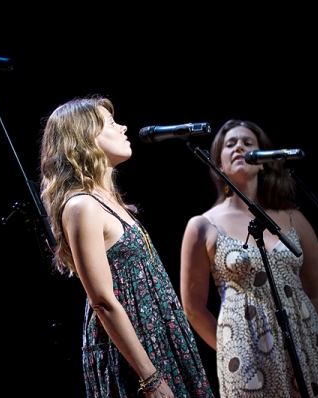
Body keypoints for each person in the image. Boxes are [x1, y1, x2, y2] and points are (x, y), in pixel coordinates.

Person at [39, 94, 214, 397]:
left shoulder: (109, 202)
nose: (123, 128)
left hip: (159, 335)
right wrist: (150, 378)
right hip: (134, 351)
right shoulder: (83, 206)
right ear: (84, 139)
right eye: (110, 123)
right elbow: (103, 301)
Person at [180, 118, 318, 397]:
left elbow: (315, 290)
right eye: (230, 144)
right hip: (246, 353)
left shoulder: (294, 218)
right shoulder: (203, 225)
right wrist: (233, 348)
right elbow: (194, 310)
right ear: (218, 163)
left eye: (248, 143)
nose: (239, 147)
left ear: (264, 159)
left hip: (305, 343)